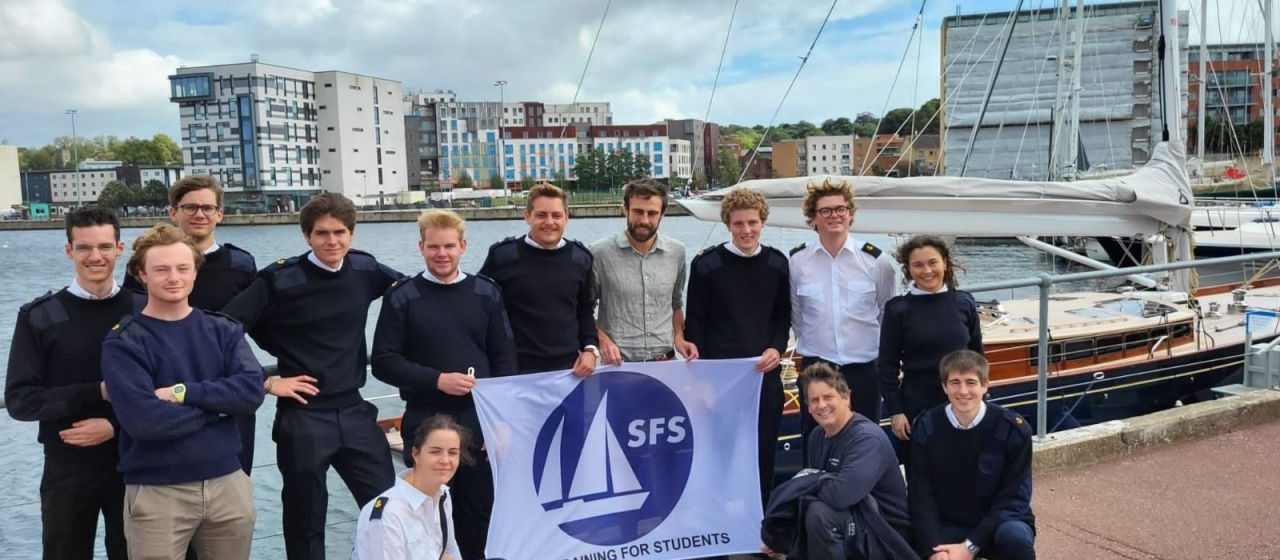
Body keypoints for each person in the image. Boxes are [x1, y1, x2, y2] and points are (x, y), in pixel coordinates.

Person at [223, 193, 402, 560]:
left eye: (339, 232)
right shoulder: (280, 278)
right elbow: (224, 330)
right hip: (303, 413)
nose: (331, 241)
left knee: (389, 508)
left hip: (354, 409)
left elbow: (414, 296)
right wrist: (264, 381)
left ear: (352, 234)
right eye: (321, 233)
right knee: (305, 520)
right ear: (307, 236)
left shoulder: (366, 270)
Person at [101, 224, 264, 560]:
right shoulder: (124, 342)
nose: (173, 277)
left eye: (182, 268)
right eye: (161, 269)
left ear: (194, 273)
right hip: (158, 491)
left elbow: (250, 392)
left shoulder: (224, 330)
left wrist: (182, 392)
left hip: (228, 484)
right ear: (141, 275)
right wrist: (218, 409)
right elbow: (144, 421)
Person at [371, 209, 517, 559]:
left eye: (449, 246)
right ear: (421, 247)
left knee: (479, 513)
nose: (442, 254)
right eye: (434, 247)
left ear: (463, 246)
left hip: (477, 421)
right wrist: (437, 379)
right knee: (426, 516)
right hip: (425, 418)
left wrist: (502, 420)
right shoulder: (402, 296)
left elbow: (505, 359)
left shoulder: (486, 292)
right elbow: (383, 362)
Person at [5, 207, 141, 560]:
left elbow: (170, 387)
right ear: (69, 250)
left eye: (104, 247)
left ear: (120, 248)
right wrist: (95, 392)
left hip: (135, 456)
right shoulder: (39, 317)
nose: (95, 257)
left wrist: (114, 425)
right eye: (84, 248)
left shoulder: (145, 310)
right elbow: (20, 401)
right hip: (68, 463)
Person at [124, 174, 259, 474]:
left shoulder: (241, 264)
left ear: (219, 214)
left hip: (227, 392)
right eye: (190, 207)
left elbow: (263, 326)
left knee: (233, 488)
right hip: (165, 392)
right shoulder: (145, 264)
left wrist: (271, 379)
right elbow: (133, 323)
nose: (200, 214)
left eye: (207, 208)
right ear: (173, 212)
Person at [684, 187, 790, 505]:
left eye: (752, 223)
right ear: (728, 225)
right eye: (739, 224)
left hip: (763, 376)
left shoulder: (777, 264)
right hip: (720, 379)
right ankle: (720, 526)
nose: (746, 230)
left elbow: (782, 317)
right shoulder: (706, 265)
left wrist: (777, 347)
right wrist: (701, 382)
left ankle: (762, 529)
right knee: (720, 456)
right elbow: (696, 327)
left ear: (763, 223)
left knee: (763, 454)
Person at [760, 363, 911, 560]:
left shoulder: (866, 439)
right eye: (814, 400)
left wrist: (806, 485)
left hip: (885, 533)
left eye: (828, 397)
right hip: (850, 522)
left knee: (818, 512)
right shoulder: (816, 436)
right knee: (811, 508)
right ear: (808, 407)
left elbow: (842, 495)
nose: (821, 405)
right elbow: (818, 490)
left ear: (846, 398)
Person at [789, 178, 896, 436]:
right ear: (813, 219)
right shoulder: (797, 261)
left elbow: (886, 314)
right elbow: (797, 315)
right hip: (817, 369)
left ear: (850, 215)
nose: (834, 215)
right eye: (825, 210)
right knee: (815, 441)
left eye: (840, 209)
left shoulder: (877, 262)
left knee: (866, 442)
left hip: (864, 370)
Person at [909, 350, 1036, 560]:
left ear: (985, 385)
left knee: (1015, 538)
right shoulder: (927, 427)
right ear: (944, 387)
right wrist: (934, 549)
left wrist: (970, 546)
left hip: (998, 524)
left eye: (971, 382)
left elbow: (1013, 499)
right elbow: (921, 493)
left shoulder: (1013, 430)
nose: (963, 391)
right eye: (955, 382)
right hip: (949, 524)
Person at [479, 183, 599, 375]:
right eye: (541, 215)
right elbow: (481, 312)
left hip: (569, 370)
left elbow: (584, 311)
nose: (549, 222)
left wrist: (590, 349)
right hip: (515, 370)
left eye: (556, 215)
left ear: (566, 218)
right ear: (527, 216)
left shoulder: (581, 258)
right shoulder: (502, 256)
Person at [878, 235, 983, 454]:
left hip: (962, 402)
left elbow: (977, 356)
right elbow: (887, 364)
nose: (926, 271)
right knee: (922, 477)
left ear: (944, 262)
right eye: (918, 265)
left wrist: (982, 398)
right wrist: (896, 411)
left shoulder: (964, 302)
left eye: (932, 263)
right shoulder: (898, 309)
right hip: (916, 407)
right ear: (908, 269)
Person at [591, 178, 694, 364]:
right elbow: (582, 311)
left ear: (662, 215)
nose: (644, 220)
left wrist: (679, 338)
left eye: (652, 213)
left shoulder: (677, 252)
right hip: (618, 367)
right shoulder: (599, 253)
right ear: (626, 210)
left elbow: (676, 304)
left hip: (665, 365)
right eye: (638, 211)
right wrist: (602, 340)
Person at [351, 415, 471, 560]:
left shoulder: (442, 496)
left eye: (452, 453)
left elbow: (450, 550)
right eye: (435, 452)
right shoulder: (388, 515)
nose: (445, 460)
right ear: (416, 454)